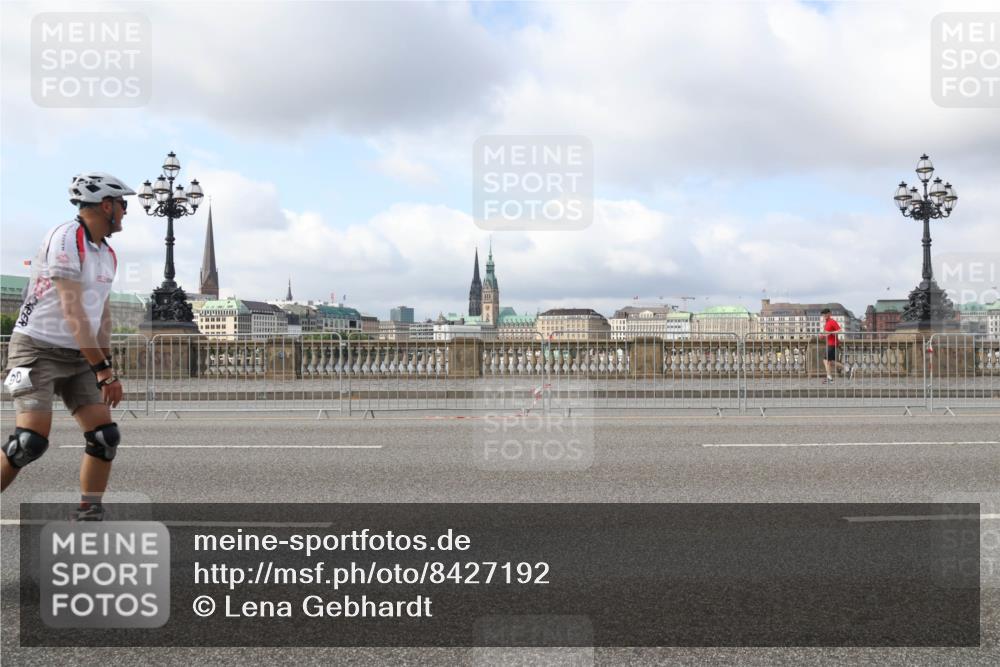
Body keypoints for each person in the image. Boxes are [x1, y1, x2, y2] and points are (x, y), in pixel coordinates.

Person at [2, 172, 135, 520]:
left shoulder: (107, 253)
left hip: (78, 356)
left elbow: (101, 314)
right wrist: (104, 373)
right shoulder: (65, 238)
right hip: (36, 350)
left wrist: (108, 365)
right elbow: (73, 310)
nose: (125, 212)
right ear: (106, 205)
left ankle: (89, 512)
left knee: (105, 436)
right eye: (123, 204)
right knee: (28, 442)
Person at [820, 307, 849, 383]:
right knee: (829, 361)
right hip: (829, 343)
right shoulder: (826, 322)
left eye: (826, 314)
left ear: (829, 314)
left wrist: (830, 333)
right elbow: (826, 333)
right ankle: (846, 368)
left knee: (827, 361)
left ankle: (830, 378)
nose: (824, 316)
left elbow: (840, 330)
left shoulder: (832, 321)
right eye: (823, 315)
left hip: (832, 344)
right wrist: (822, 335)